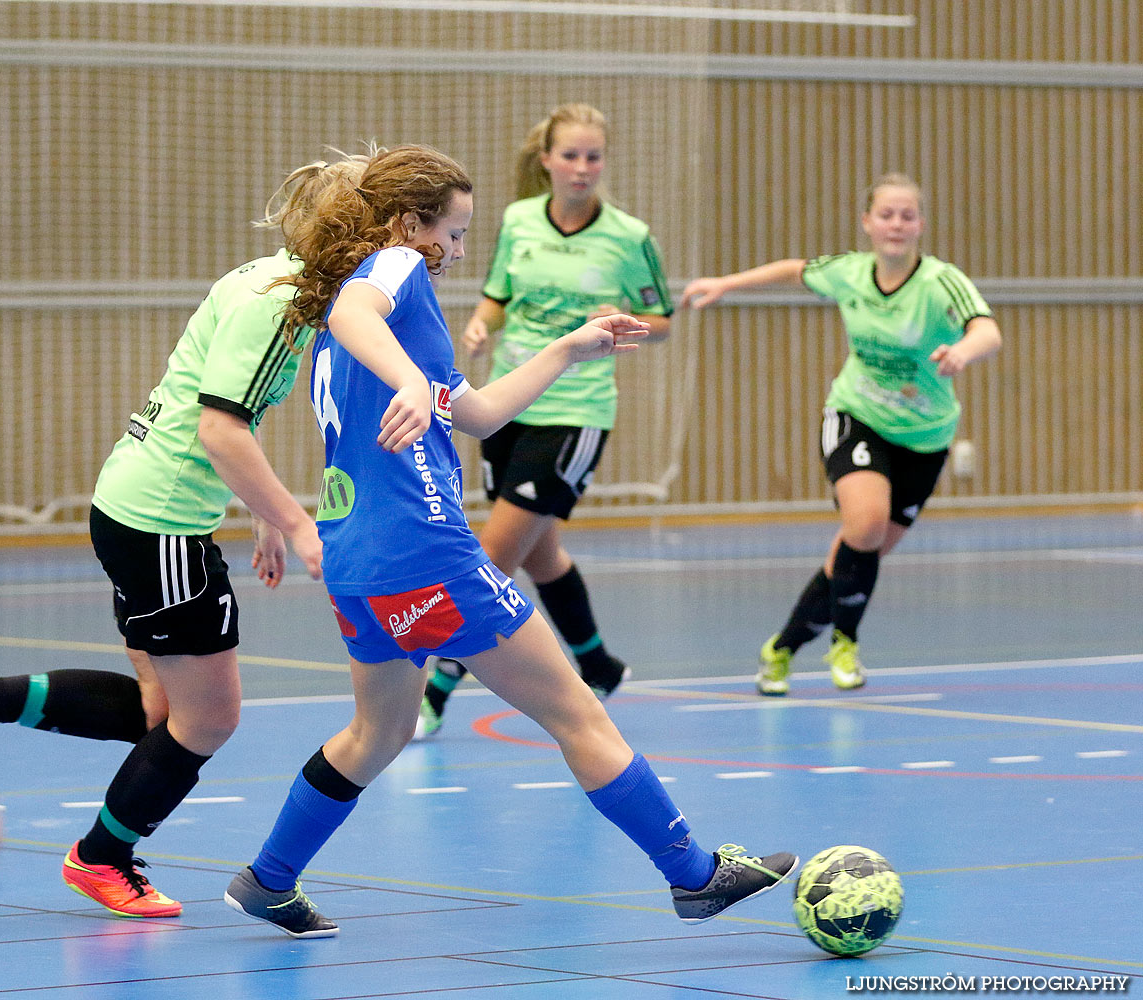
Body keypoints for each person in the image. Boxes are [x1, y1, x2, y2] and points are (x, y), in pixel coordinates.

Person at [220, 144, 797, 939]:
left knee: (378, 731)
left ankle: (269, 879)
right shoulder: (390, 272)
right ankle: (695, 876)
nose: (459, 254)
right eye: (452, 235)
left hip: (359, 562)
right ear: (404, 225)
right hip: (428, 554)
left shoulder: (360, 325)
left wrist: (567, 347)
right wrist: (416, 384)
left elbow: (480, 413)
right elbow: (366, 317)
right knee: (578, 714)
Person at [0, 153, 370, 918]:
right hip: (163, 523)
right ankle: (101, 857)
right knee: (207, 719)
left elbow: (218, 409)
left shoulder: (271, 281)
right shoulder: (279, 306)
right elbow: (218, 428)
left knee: (160, 710)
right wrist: (293, 519)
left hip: (137, 501)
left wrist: (256, 510)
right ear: (352, 234)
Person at [681, 173, 1002, 695]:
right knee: (866, 524)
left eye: (907, 215)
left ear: (921, 224)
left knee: (856, 554)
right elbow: (794, 269)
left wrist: (964, 351)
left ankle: (780, 649)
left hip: (926, 437)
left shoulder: (942, 281)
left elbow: (987, 328)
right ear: (867, 222)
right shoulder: (850, 273)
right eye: (886, 214)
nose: (897, 224)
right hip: (857, 415)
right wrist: (727, 283)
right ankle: (845, 643)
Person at [416, 103, 673, 739]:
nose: (583, 167)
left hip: (577, 411)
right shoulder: (517, 221)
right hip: (507, 401)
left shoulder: (629, 237)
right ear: (547, 161)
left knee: (495, 550)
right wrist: (481, 324)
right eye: (572, 155)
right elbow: (500, 298)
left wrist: (626, 323)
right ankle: (599, 665)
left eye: (594, 156)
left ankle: (438, 687)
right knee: (540, 551)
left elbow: (661, 320)